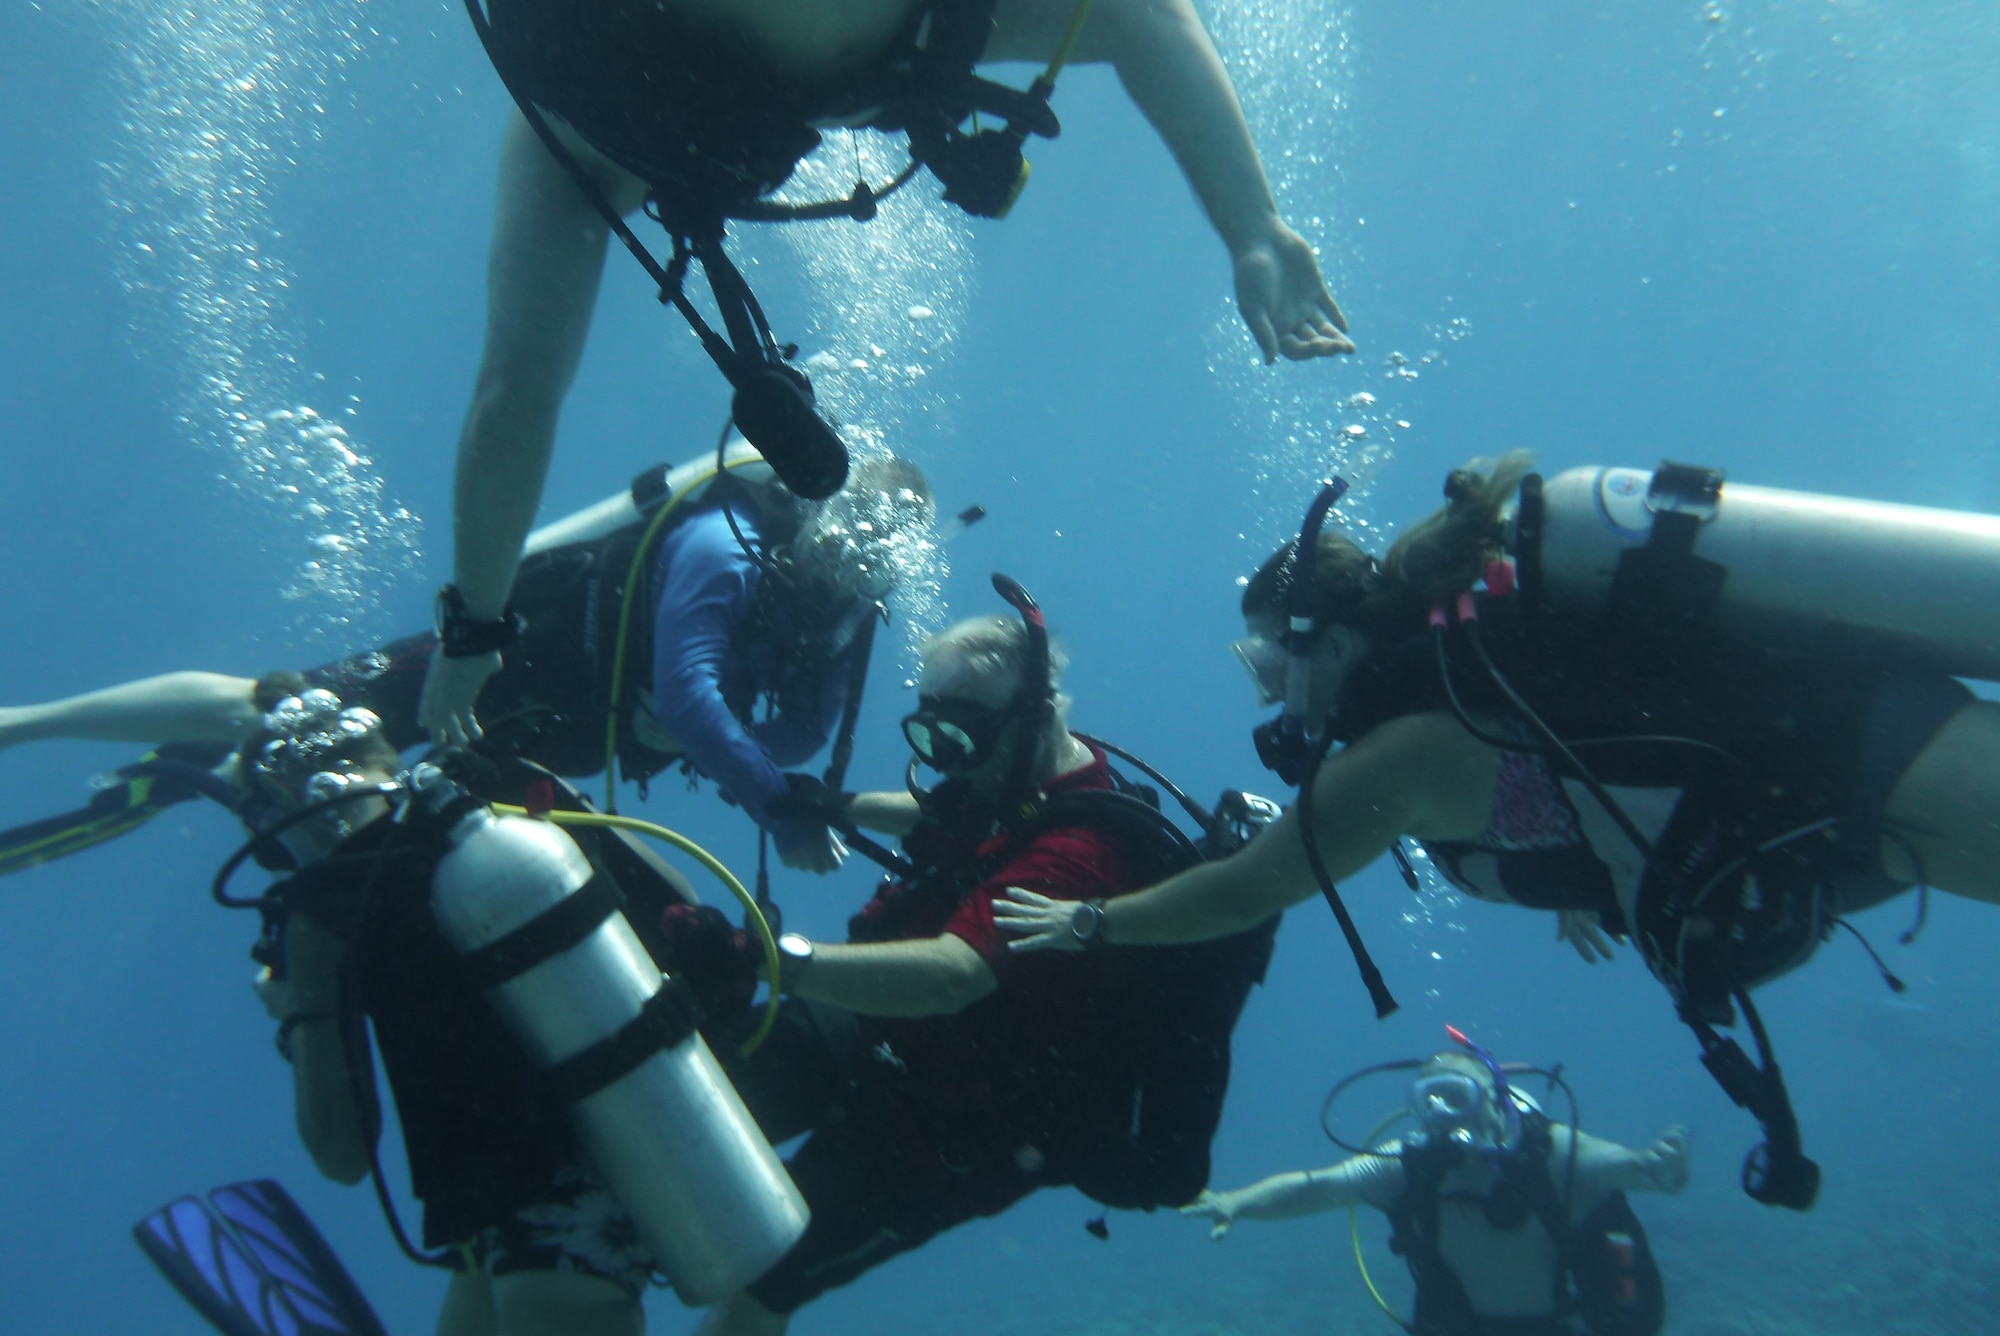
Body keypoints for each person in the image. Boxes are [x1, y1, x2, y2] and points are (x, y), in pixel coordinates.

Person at [995, 451, 2000, 1207]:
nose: (1267, 694)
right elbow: (1574, 773)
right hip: (1827, 791)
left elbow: (1244, 889)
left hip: (1837, 753)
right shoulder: (1453, 700)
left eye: (1266, 664)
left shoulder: (1387, 762)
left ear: (1330, 643)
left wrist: (1094, 923)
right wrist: (1589, 878)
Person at [423, 0, 1355, 742]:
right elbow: (1140, 16)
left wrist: (476, 628)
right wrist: (1253, 228)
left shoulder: (577, 127)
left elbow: (514, 400)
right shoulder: (858, 54)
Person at [660, 581, 1280, 1336]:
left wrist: (765, 958)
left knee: (764, 1280)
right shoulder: (1021, 774)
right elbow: (946, 810)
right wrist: (838, 804)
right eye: (929, 733)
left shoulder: (1080, 854)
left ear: (1036, 718)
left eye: (962, 738)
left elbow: (958, 973)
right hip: (876, 1029)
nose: (945, 759)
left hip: (952, 1126)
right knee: (684, 1107)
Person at [0, 451, 935, 874]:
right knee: (290, 708)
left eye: (875, 560)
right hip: (507, 665)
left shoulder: (846, 612)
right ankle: (30, 725)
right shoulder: (729, 540)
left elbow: (808, 725)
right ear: (821, 511)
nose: (848, 569)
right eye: (847, 540)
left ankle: (200, 776)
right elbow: (692, 690)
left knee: (368, 817)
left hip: (568, 739)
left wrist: (713, 748)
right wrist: (765, 797)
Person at [1183, 1036, 1689, 1336]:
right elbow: (1317, 1188)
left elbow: (1623, 1167)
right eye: (1431, 1100)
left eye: (1457, 1096)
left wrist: (1656, 1168)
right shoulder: (1408, 1167)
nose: (1445, 1115)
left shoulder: (1550, 1152)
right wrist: (1238, 1202)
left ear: (1494, 1099)